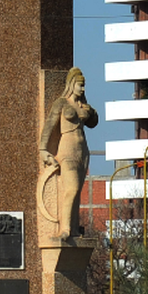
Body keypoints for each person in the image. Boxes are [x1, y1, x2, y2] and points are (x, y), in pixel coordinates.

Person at [39, 67, 99, 241]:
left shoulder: (83, 105)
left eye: (84, 85)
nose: (82, 89)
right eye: (80, 85)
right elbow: (49, 127)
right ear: (72, 85)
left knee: (78, 190)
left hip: (83, 151)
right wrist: (43, 149)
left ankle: (73, 229)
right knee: (71, 189)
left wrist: (90, 111)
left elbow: (94, 123)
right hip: (66, 149)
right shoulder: (61, 103)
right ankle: (64, 228)